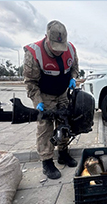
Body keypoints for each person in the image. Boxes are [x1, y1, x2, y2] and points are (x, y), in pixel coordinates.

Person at [23, 20, 80, 179]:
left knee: (65, 122)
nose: (58, 52)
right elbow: (30, 82)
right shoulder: (34, 53)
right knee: (45, 126)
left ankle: (63, 153)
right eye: (55, 48)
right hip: (45, 94)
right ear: (47, 38)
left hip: (63, 92)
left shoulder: (71, 50)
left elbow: (75, 68)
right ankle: (47, 161)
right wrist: (37, 101)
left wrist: (73, 78)